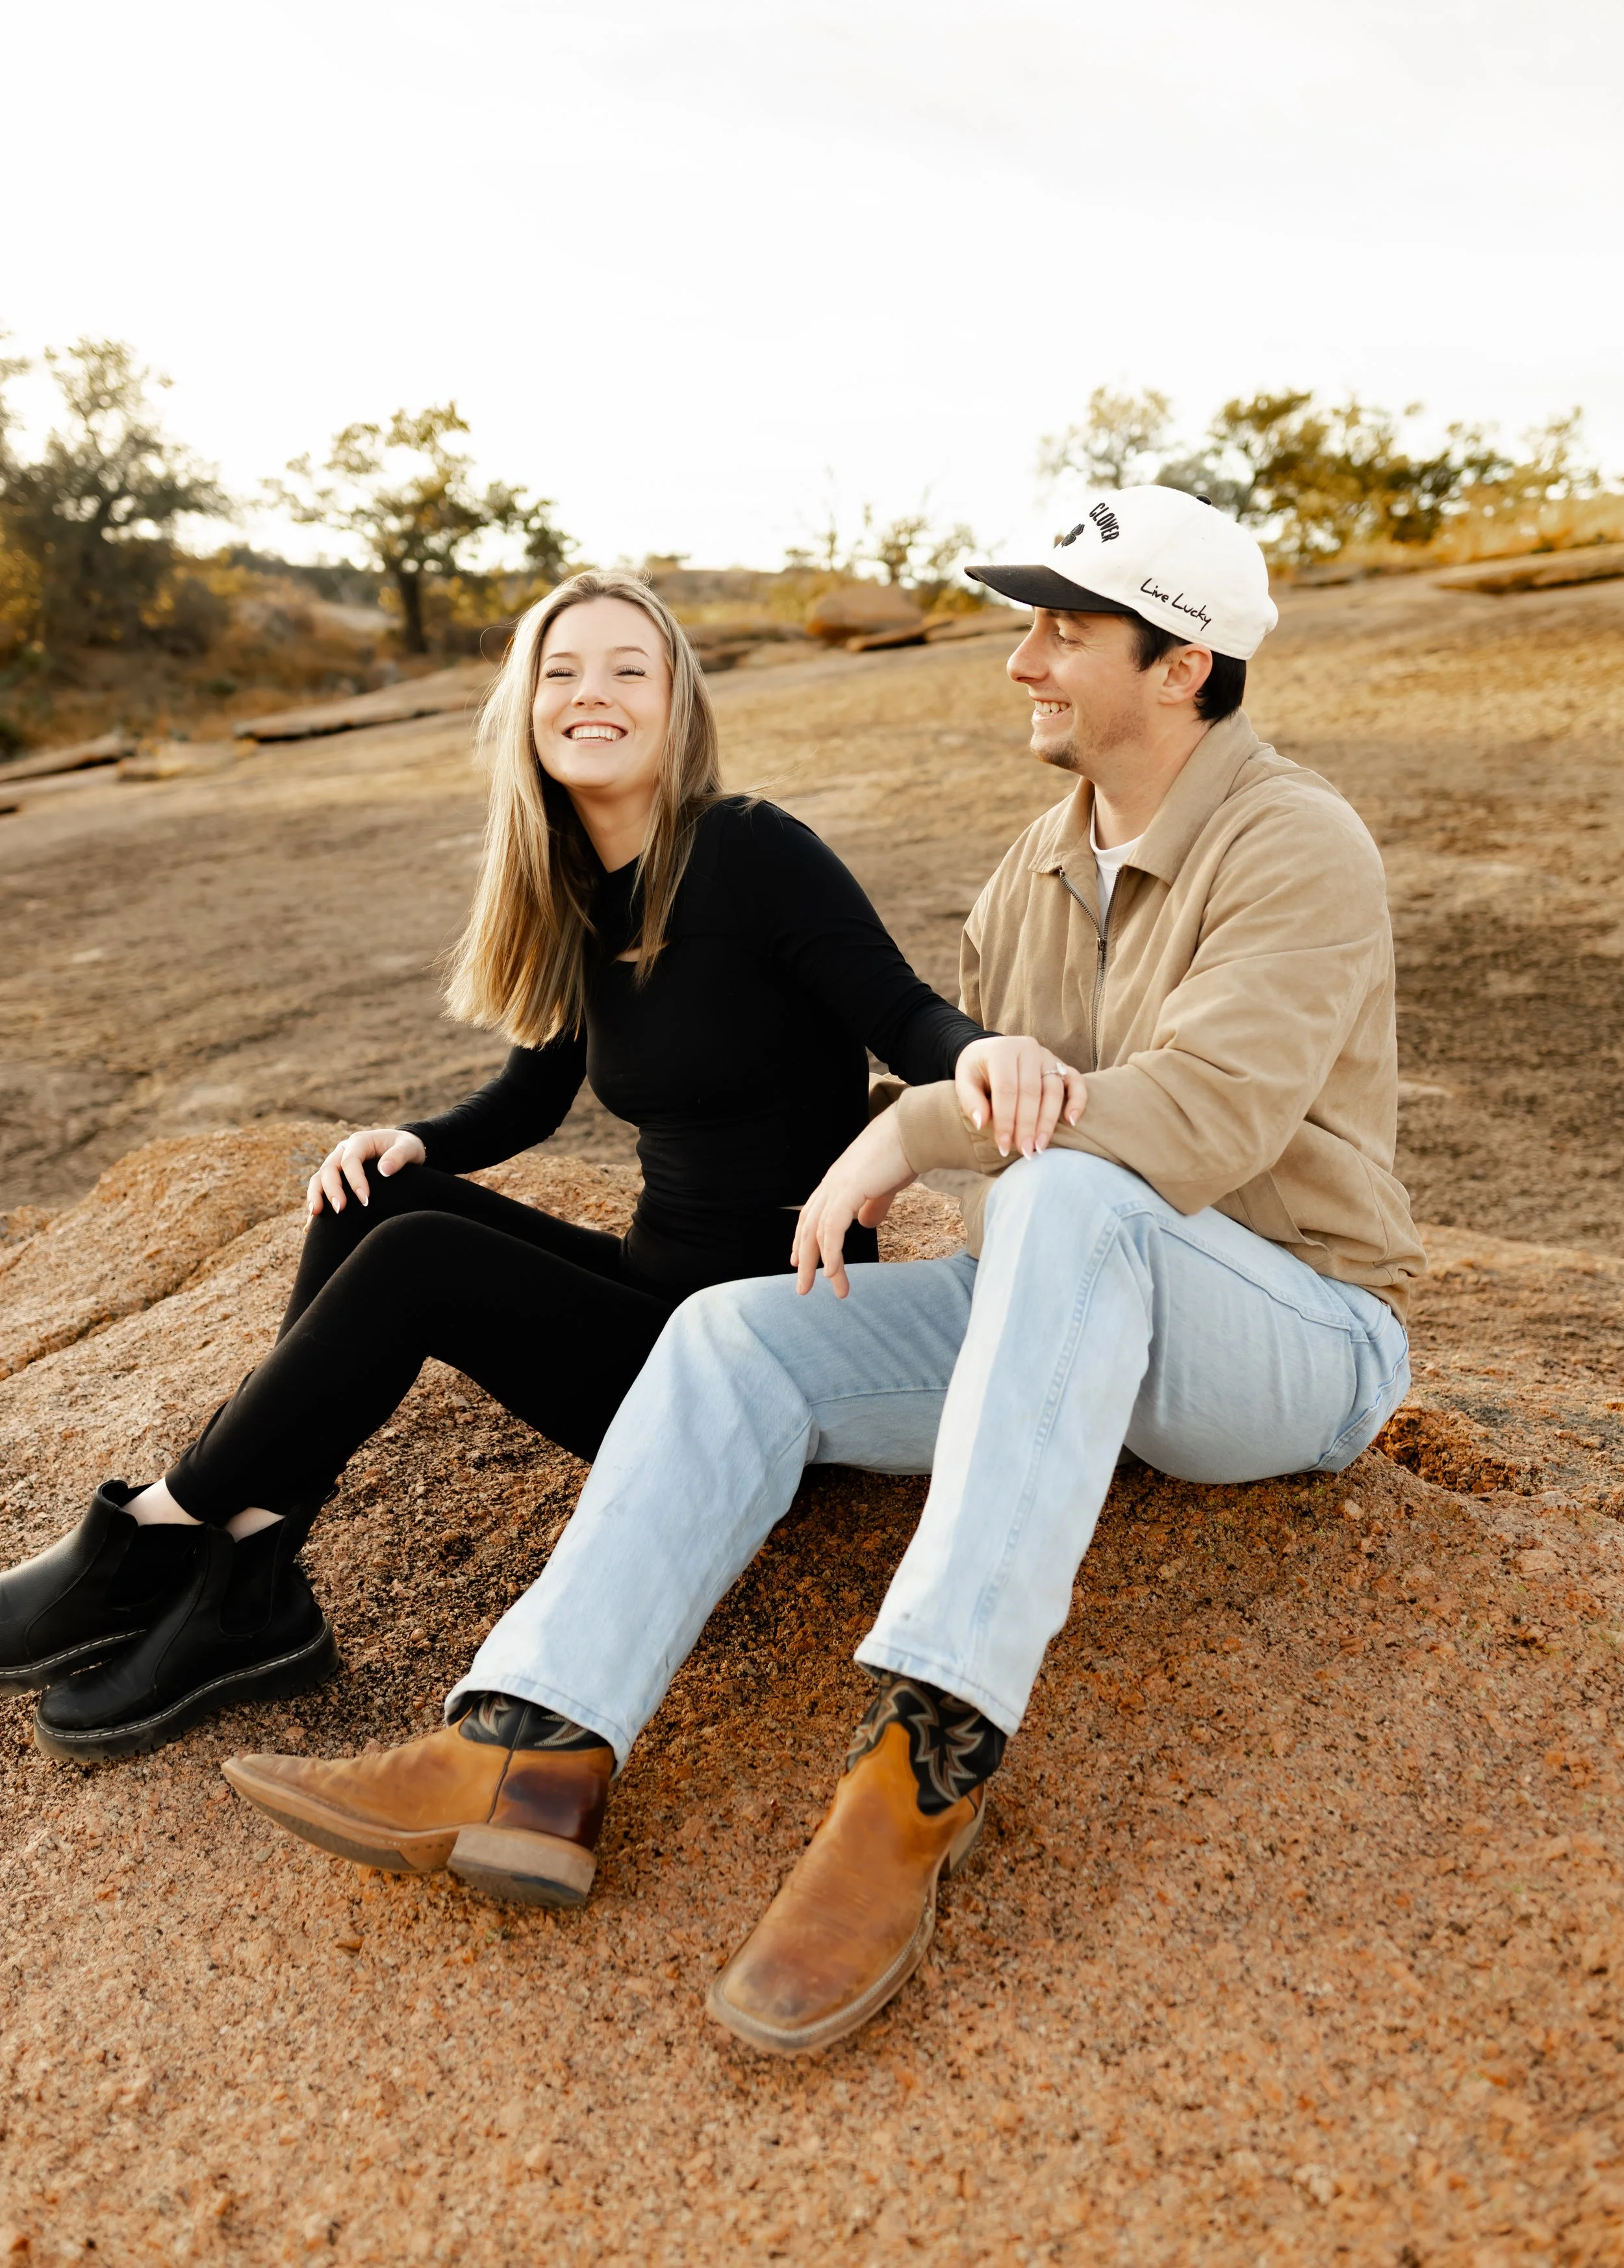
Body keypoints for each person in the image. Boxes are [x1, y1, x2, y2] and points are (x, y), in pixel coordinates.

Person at [222, 487, 1422, 2019]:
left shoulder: (1294, 842)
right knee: (724, 1332)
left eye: (1062, 630)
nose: (1020, 664)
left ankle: (917, 1772)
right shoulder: (1026, 872)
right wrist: (861, 1118)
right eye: (1026, 628)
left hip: (1289, 1340)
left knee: (1064, 1190)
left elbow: (1192, 1127)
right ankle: (527, 1751)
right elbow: (963, 1083)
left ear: (1181, 664)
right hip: (1058, 1321)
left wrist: (911, 1135)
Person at [0, 568, 997, 1772]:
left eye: (632, 669)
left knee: (420, 1261)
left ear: (679, 705)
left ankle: (159, 1526)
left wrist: (985, 1058)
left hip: (760, 1353)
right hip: (649, 1293)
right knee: (380, 1196)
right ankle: (250, 1583)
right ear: (527, 707)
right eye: (563, 671)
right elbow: (534, 1092)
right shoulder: (578, 886)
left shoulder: (749, 849)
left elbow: (904, 1011)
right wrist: (417, 1139)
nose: (595, 694)